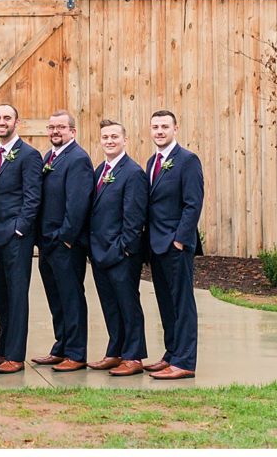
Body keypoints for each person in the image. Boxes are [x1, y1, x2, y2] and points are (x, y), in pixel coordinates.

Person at [143, 110, 204, 380]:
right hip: (156, 245)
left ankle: (185, 361)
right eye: (155, 126)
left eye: (164, 126)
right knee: (166, 303)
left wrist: (180, 239)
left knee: (182, 304)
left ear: (175, 129)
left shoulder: (188, 161)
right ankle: (171, 353)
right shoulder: (151, 162)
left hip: (176, 245)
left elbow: (193, 203)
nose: (159, 131)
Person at [31, 110, 94, 372]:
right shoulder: (50, 157)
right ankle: (62, 346)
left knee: (71, 298)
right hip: (47, 243)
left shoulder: (78, 159)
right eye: (51, 127)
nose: (55, 132)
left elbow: (78, 203)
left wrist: (66, 238)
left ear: (72, 131)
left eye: (60, 127)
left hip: (65, 243)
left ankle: (77, 353)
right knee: (56, 298)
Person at [87, 119, 149, 377]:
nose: (109, 141)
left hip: (121, 254)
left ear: (125, 140)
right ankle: (115, 352)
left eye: (114, 136)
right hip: (100, 252)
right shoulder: (101, 169)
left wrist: (124, 249)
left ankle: (134, 356)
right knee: (110, 305)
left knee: (128, 304)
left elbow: (134, 218)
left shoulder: (133, 172)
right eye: (105, 137)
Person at [0, 104, 42, 374]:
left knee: (18, 295)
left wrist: (20, 228)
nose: (1, 122)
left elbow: (33, 196)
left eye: (6, 118)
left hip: (17, 237)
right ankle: (4, 350)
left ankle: (16, 355)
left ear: (16, 122)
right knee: (2, 294)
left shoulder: (29, 155)